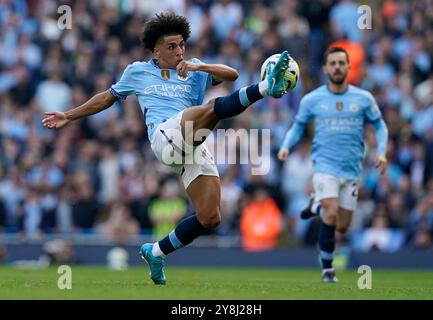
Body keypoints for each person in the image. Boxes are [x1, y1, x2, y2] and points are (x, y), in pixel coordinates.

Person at [42, 13, 292, 285]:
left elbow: (232, 74)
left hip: (192, 145)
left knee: (210, 217)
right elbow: (107, 98)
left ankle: (157, 251)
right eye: (172, 46)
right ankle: (267, 86)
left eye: (182, 44)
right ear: (157, 50)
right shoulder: (138, 71)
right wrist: (69, 115)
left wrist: (199, 68)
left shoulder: (193, 69)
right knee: (210, 108)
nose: (179, 51)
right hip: (164, 136)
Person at [278, 47, 388, 283]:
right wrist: (286, 145)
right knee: (332, 211)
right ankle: (328, 270)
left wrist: (381, 152)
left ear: (349, 67)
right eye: (333, 63)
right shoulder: (313, 99)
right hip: (324, 166)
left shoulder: (363, 99)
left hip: (352, 170)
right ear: (326, 68)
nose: (337, 67)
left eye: (341, 63)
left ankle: (316, 207)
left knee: (342, 225)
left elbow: (380, 126)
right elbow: (298, 125)